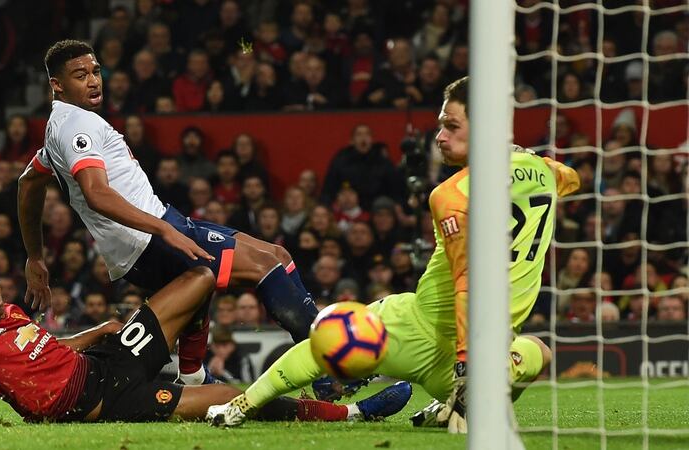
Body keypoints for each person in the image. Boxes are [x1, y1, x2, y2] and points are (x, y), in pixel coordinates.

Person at [206, 76, 581, 432]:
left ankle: (240, 406)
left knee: (329, 336)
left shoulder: (450, 195)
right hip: (481, 348)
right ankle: (458, 401)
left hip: (426, 337)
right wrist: (526, 157)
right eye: (440, 125)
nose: (439, 136)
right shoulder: (543, 172)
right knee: (538, 353)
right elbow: (572, 180)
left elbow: (468, 283)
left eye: (451, 126)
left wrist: (466, 366)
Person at [18, 40, 319, 387]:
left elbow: (28, 184)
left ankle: (192, 376)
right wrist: (163, 230)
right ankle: (328, 363)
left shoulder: (58, 126)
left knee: (276, 255)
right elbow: (96, 194)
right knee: (266, 265)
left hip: (153, 230)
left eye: (96, 71)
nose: (93, 81)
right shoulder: (77, 125)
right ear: (57, 85)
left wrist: (35, 257)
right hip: (147, 239)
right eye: (80, 75)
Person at [0, 252, 408, 425]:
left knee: (199, 278)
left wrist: (98, 331)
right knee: (232, 399)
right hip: (102, 402)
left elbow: (49, 353)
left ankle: (192, 371)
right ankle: (352, 414)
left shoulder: (9, 312)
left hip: (107, 359)